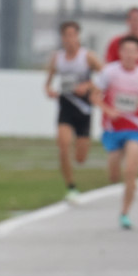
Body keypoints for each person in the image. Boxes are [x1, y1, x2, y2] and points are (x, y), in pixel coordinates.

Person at [92, 36, 138, 230]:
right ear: (120, 53)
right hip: (113, 129)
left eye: (134, 51)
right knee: (114, 175)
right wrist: (108, 111)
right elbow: (95, 95)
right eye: (126, 51)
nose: (130, 55)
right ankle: (127, 182)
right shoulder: (109, 72)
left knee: (130, 171)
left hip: (135, 129)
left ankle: (125, 213)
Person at [44, 20, 101, 204]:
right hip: (66, 107)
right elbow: (48, 82)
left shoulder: (88, 57)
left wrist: (88, 86)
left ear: (78, 36)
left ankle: (75, 172)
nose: (69, 39)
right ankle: (71, 187)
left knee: (80, 157)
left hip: (84, 109)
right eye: (65, 36)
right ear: (61, 38)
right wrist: (49, 90)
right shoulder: (57, 58)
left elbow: (106, 76)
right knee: (63, 144)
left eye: (72, 35)